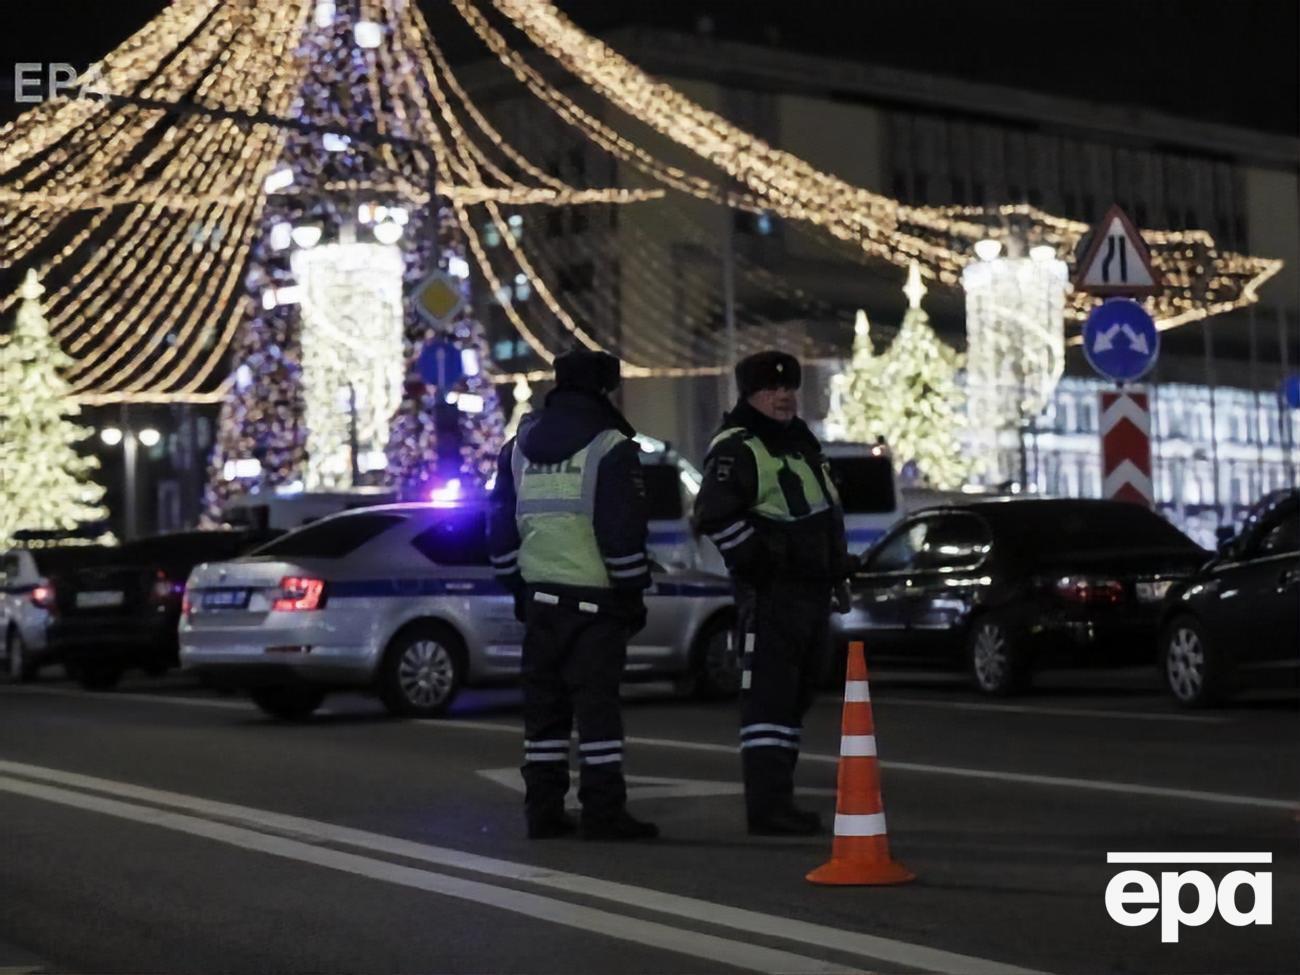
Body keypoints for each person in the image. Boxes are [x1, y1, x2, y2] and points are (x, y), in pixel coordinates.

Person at [488, 349, 659, 841]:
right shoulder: (610, 446)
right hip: (596, 605)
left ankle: (542, 812)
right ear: (604, 388)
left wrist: (515, 585)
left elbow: (499, 525)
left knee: (545, 714)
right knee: (597, 714)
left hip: (539, 603)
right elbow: (622, 532)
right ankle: (603, 813)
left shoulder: (518, 447)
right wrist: (631, 594)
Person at [693, 350, 852, 836]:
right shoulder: (738, 447)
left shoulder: (799, 442)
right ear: (750, 394)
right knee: (769, 700)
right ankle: (768, 807)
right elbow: (714, 515)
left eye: (788, 387)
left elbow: (823, 515)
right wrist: (759, 565)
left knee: (795, 696)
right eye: (771, 389)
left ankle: (778, 799)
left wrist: (836, 573)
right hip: (772, 596)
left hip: (808, 593)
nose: (783, 396)